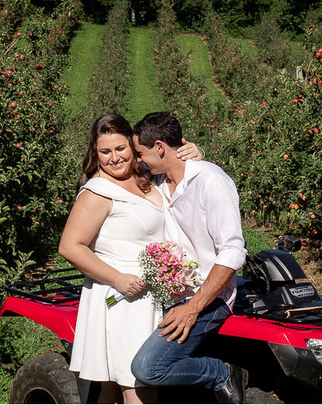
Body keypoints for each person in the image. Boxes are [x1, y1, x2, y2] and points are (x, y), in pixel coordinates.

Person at [58, 114, 204, 404]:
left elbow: (174, 171)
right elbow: (70, 247)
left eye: (120, 148)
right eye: (105, 151)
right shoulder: (98, 192)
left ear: (133, 146)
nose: (114, 158)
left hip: (150, 294)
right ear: (95, 152)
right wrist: (118, 279)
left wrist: (195, 153)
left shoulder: (144, 174)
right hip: (121, 297)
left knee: (113, 388)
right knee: (138, 386)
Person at [129, 112, 249, 404]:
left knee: (147, 368)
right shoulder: (157, 181)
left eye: (141, 153)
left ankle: (223, 373)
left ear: (159, 148)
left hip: (207, 297)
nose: (138, 160)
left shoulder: (211, 181)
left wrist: (192, 308)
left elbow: (233, 252)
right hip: (167, 292)